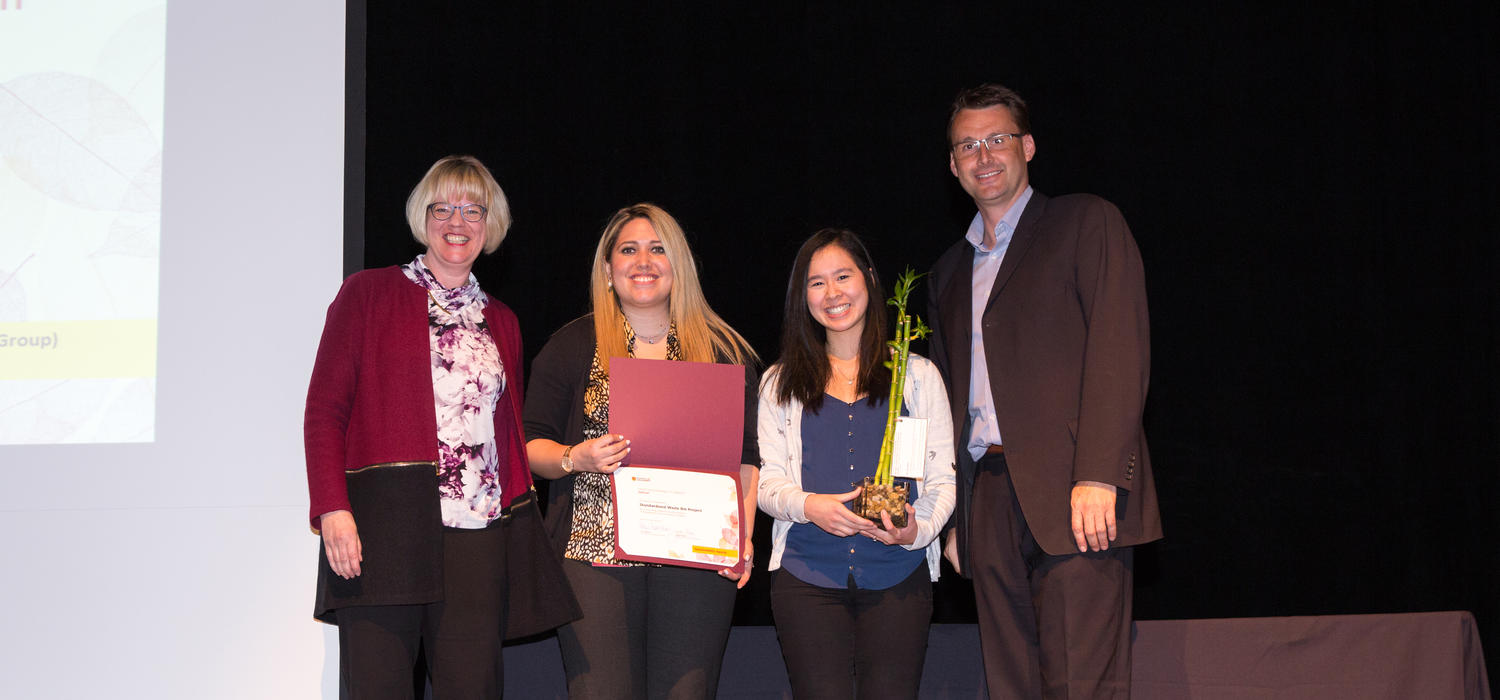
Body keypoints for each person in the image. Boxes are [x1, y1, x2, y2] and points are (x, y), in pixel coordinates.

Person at [305, 155, 577, 699]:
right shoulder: (367, 293)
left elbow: (508, 440)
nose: (458, 221)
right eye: (443, 208)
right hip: (383, 526)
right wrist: (333, 509)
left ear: (490, 223)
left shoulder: (502, 320)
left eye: (473, 210)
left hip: (478, 536)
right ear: (422, 217)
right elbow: (324, 412)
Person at [926, 84, 1163, 699]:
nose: (984, 156)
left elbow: (1120, 351)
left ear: (1027, 146)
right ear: (953, 166)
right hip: (989, 501)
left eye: (997, 139)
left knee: (1081, 683)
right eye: (967, 145)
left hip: (1075, 492)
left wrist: (1100, 475)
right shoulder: (949, 272)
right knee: (1013, 685)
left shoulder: (1086, 222)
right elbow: (949, 399)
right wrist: (955, 518)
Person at [523, 203, 760, 699]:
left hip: (698, 555)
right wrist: (575, 456)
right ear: (608, 270)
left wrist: (743, 539)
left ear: (679, 265)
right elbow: (528, 446)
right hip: (594, 558)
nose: (644, 260)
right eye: (628, 250)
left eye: (658, 249)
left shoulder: (721, 349)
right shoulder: (573, 346)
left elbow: (745, 458)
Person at [757, 229, 956, 699]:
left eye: (843, 276)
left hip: (898, 576)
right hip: (806, 577)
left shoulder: (917, 376)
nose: (833, 293)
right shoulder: (778, 383)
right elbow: (768, 484)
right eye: (817, 283)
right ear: (801, 297)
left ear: (868, 279)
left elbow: (942, 479)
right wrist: (810, 506)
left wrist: (917, 531)